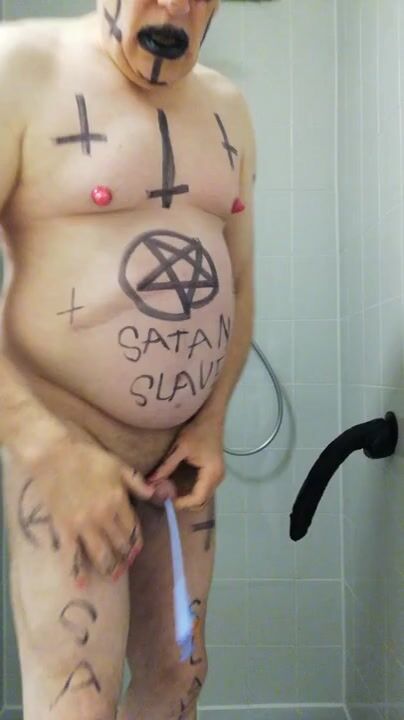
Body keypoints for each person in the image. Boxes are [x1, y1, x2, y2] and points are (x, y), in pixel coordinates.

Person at [0, 0, 255, 717]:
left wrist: (210, 421)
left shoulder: (229, 108)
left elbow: (239, 281)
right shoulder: (21, 69)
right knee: (77, 700)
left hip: (179, 465)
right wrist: (49, 450)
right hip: (65, 456)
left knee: (181, 677)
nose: (175, 5)